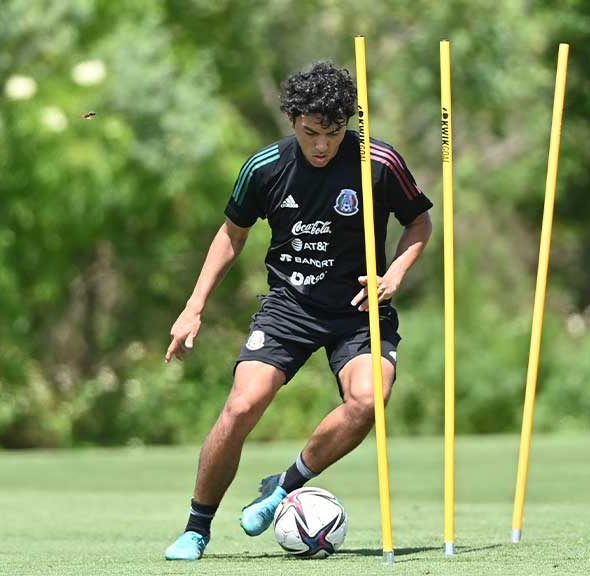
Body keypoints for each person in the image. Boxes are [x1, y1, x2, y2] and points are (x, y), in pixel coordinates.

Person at [163, 61, 433, 561]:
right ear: (292, 120)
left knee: (370, 400)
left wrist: (393, 275)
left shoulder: (379, 162)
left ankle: (284, 484)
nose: (322, 145)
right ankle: (196, 527)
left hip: (358, 307)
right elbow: (231, 234)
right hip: (289, 304)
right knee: (242, 405)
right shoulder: (264, 167)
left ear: (348, 123)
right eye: (311, 132)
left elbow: (419, 223)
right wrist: (193, 307)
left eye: (333, 132)